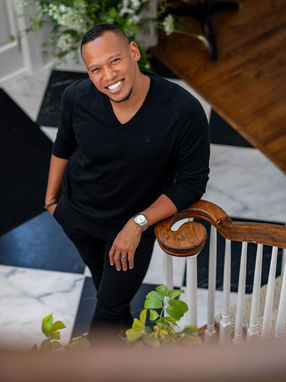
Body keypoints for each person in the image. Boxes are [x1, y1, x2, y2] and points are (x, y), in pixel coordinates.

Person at [44, 23, 210, 341]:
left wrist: (139, 223)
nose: (108, 77)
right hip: (77, 215)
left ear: (133, 52)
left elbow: (191, 182)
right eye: (96, 69)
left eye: (114, 61)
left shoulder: (183, 111)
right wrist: (51, 201)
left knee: (106, 312)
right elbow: (63, 146)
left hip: (127, 232)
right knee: (108, 293)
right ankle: (125, 347)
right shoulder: (76, 97)